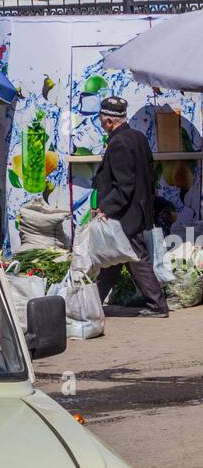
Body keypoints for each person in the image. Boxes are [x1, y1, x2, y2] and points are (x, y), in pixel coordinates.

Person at [93, 96, 168, 318]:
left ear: (108, 122)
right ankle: (94, 304)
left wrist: (104, 207)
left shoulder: (119, 143)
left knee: (135, 257)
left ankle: (157, 305)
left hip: (126, 213)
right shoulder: (138, 137)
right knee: (112, 260)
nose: (101, 124)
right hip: (138, 209)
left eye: (101, 120)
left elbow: (123, 185)